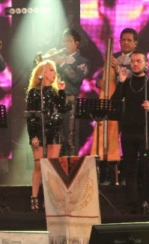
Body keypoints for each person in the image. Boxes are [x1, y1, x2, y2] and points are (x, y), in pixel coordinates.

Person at [111, 51, 149, 213]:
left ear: (146, 64)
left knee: (147, 167)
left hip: (145, 131)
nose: (135, 64)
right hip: (128, 131)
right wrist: (120, 82)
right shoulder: (126, 83)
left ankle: (148, 201)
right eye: (132, 61)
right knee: (129, 168)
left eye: (139, 61)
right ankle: (131, 203)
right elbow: (114, 102)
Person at [98, 28, 138, 186]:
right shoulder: (112, 57)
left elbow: (136, 77)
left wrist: (118, 68)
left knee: (127, 141)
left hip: (130, 106)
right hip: (114, 104)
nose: (125, 42)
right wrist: (99, 82)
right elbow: (101, 76)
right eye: (123, 40)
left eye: (129, 40)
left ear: (135, 43)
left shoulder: (138, 58)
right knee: (109, 138)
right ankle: (108, 175)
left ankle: (126, 176)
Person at [26, 60, 66, 211]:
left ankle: (50, 198)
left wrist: (62, 91)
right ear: (42, 73)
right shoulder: (34, 92)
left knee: (52, 165)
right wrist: (33, 136)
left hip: (54, 130)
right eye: (51, 70)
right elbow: (30, 116)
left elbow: (62, 108)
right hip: (39, 131)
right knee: (39, 165)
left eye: (54, 70)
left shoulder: (55, 92)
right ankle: (34, 197)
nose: (54, 73)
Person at [53, 28, 88, 157]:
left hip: (70, 101)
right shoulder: (58, 59)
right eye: (63, 41)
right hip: (54, 100)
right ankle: (56, 166)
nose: (64, 44)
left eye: (68, 41)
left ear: (76, 43)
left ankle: (70, 167)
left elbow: (76, 78)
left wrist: (62, 64)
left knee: (69, 138)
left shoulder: (83, 61)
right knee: (55, 137)